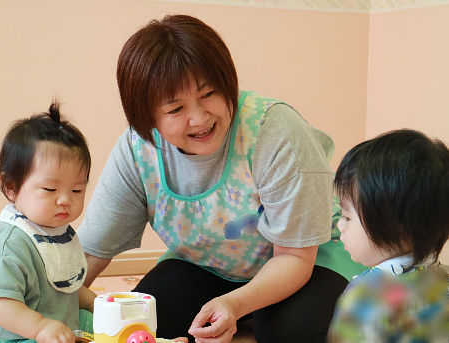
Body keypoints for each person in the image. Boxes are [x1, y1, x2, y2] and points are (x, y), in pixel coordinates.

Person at [78, 14, 365, 342]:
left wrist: (235, 304)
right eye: (175, 110)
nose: (199, 118)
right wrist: (42, 305)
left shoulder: (274, 129)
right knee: (142, 322)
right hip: (208, 263)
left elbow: (295, 257)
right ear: (148, 118)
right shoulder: (137, 149)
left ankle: (256, 314)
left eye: (209, 94)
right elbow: (90, 252)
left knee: (291, 331)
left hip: (308, 259)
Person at [0, 102, 97, 343]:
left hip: (58, 326)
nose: (65, 200)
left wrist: (94, 302)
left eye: (77, 190)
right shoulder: (8, 247)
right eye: (50, 189)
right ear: (11, 187)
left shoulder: (59, 233)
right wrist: (39, 328)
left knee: (104, 324)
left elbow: (62, 286)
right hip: (14, 337)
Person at [328, 129, 449, 342]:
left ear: (395, 225)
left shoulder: (365, 296)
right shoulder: (443, 281)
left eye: (347, 217)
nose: (340, 225)